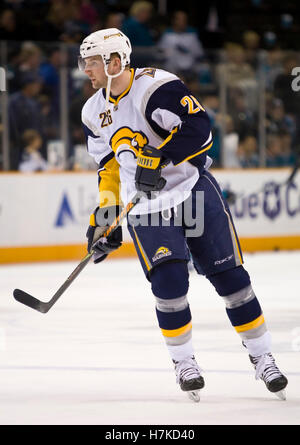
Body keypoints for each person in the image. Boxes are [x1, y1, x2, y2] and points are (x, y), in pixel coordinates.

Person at [79, 28, 288, 402]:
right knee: (170, 285)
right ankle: (184, 362)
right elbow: (108, 166)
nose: (86, 71)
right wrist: (106, 210)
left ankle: (262, 356)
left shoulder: (157, 87)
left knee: (232, 280)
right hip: (144, 208)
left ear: (114, 62)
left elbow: (201, 130)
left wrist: (160, 158)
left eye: (92, 63)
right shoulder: (93, 112)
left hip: (191, 190)